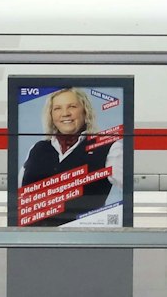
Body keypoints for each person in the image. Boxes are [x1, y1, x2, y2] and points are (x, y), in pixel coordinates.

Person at [17, 87, 124, 227]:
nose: (65, 114)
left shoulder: (109, 148)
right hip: (34, 239)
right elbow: (18, 196)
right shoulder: (37, 148)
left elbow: (131, 192)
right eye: (57, 108)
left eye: (72, 107)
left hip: (85, 239)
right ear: (51, 115)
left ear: (85, 111)